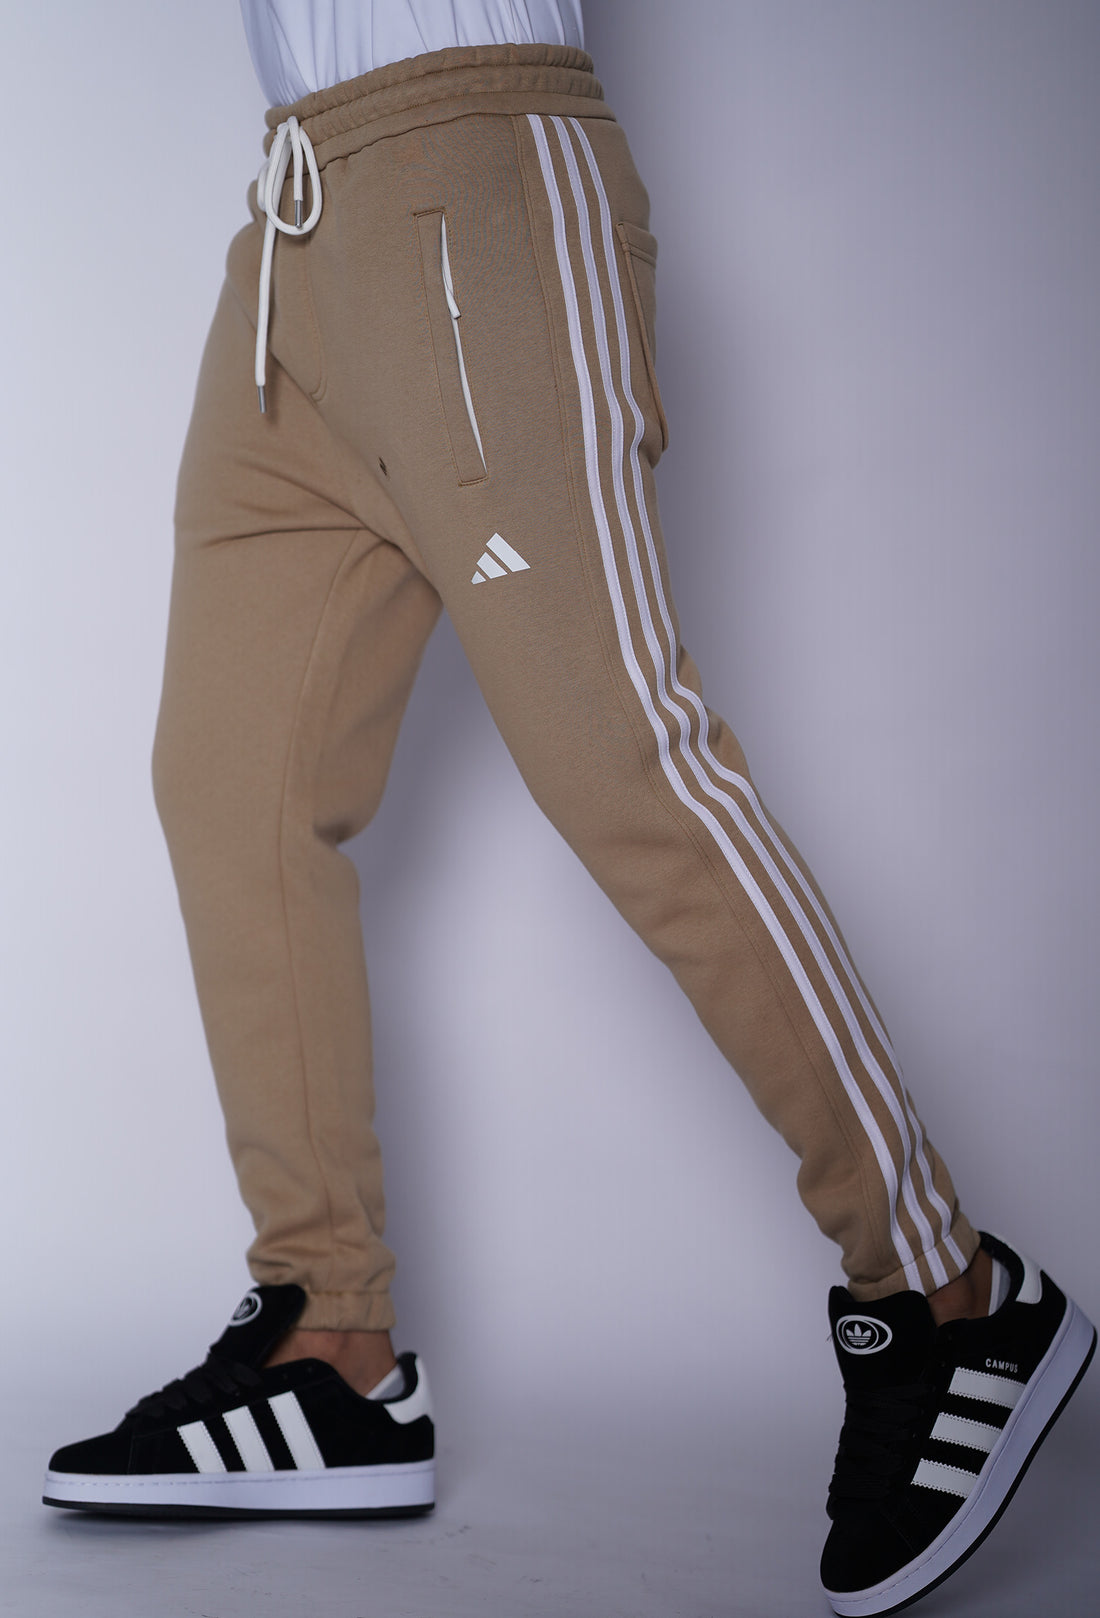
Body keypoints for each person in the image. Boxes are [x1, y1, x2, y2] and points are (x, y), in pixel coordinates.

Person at [42, 3, 1094, 1613]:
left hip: (470, 179)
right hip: (293, 225)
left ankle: (950, 1293)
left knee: (625, 759)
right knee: (230, 786)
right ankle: (331, 1339)